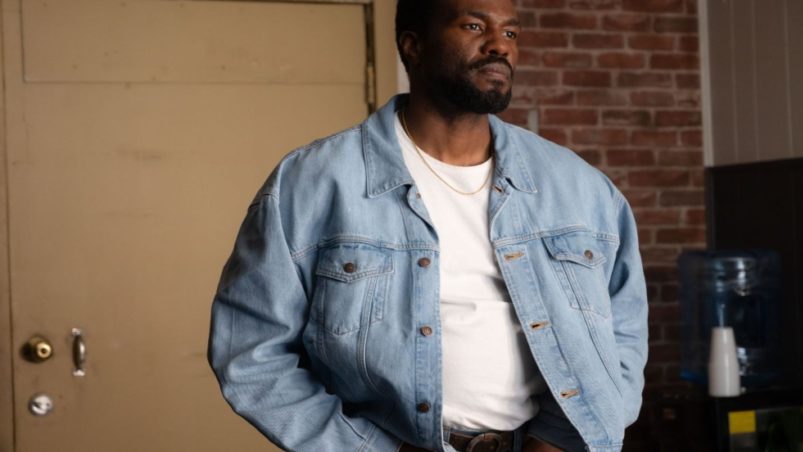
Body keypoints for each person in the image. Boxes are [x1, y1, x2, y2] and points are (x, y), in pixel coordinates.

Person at [208, 0, 648, 450]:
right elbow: (250, 354)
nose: (499, 46)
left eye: (511, 33)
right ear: (412, 45)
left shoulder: (579, 187)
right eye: (474, 26)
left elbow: (624, 333)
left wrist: (559, 440)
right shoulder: (313, 182)